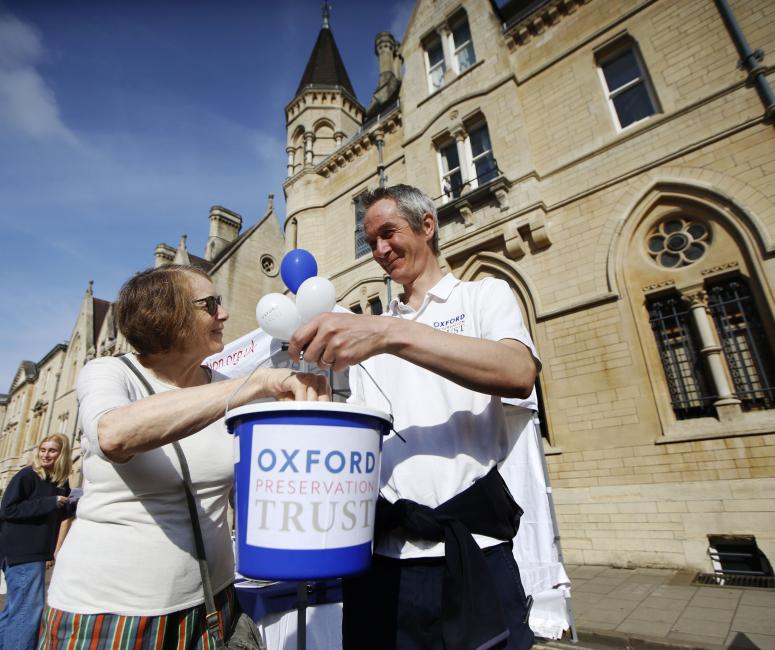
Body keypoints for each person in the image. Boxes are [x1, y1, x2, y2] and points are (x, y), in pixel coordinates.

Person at [289, 184, 540, 650]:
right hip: (384, 560)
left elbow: (518, 373)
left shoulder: (483, 296)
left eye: (389, 233)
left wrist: (390, 333)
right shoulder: (372, 332)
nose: (381, 251)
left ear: (427, 225)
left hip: (471, 555)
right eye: (372, 241)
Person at [41, 264, 329, 649]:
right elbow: (114, 435)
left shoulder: (228, 387)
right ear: (165, 315)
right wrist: (256, 383)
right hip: (112, 613)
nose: (223, 314)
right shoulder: (110, 372)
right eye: (210, 305)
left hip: (213, 605)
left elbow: (254, 493)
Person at [0, 434, 76, 650]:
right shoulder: (27, 475)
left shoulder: (59, 481)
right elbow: (8, 510)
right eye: (43, 449)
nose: (46, 454)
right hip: (21, 552)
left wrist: (76, 504)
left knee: (15, 611)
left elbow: (58, 514)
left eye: (52, 451)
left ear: (62, 454)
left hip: (35, 552)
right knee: (27, 612)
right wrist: (49, 502)